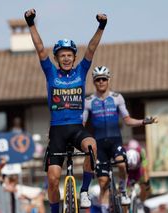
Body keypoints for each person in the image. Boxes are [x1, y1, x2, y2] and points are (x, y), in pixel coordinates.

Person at [24, 8, 107, 212]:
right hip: (58, 131)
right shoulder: (51, 72)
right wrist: (31, 23)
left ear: (74, 57)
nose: (67, 58)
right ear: (57, 57)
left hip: (77, 128)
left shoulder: (82, 70)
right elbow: (40, 48)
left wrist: (101, 26)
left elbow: (91, 48)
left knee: (91, 147)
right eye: (63, 55)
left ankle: (85, 191)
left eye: (70, 55)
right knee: (52, 180)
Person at [83, 66, 157, 212]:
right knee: (103, 183)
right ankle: (104, 209)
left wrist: (143, 121)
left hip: (115, 141)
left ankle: (123, 191)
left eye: (104, 79)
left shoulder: (117, 98)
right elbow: (82, 124)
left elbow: (127, 120)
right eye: (98, 79)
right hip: (99, 146)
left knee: (122, 165)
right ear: (94, 82)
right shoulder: (88, 101)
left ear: (108, 80)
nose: (101, 82)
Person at [126, 139, 151, 210]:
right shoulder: (125, 152)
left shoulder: (141, 151)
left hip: (138, 169)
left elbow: (145, 169)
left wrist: (147, 183)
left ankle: (141, 202)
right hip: (129, 171)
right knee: (125, 189)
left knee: (144, 185)